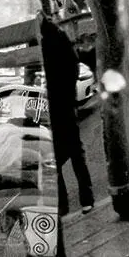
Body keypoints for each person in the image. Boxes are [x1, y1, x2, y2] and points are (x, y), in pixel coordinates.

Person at [39, 16, 94, 215]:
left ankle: (65, 205)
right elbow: (73, 64)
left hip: (56, 104)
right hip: (62, 104)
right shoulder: (56, 36)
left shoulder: (46, 39)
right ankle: (85, 199)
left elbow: (71, 65)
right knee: (74, 154)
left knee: (57, 157)